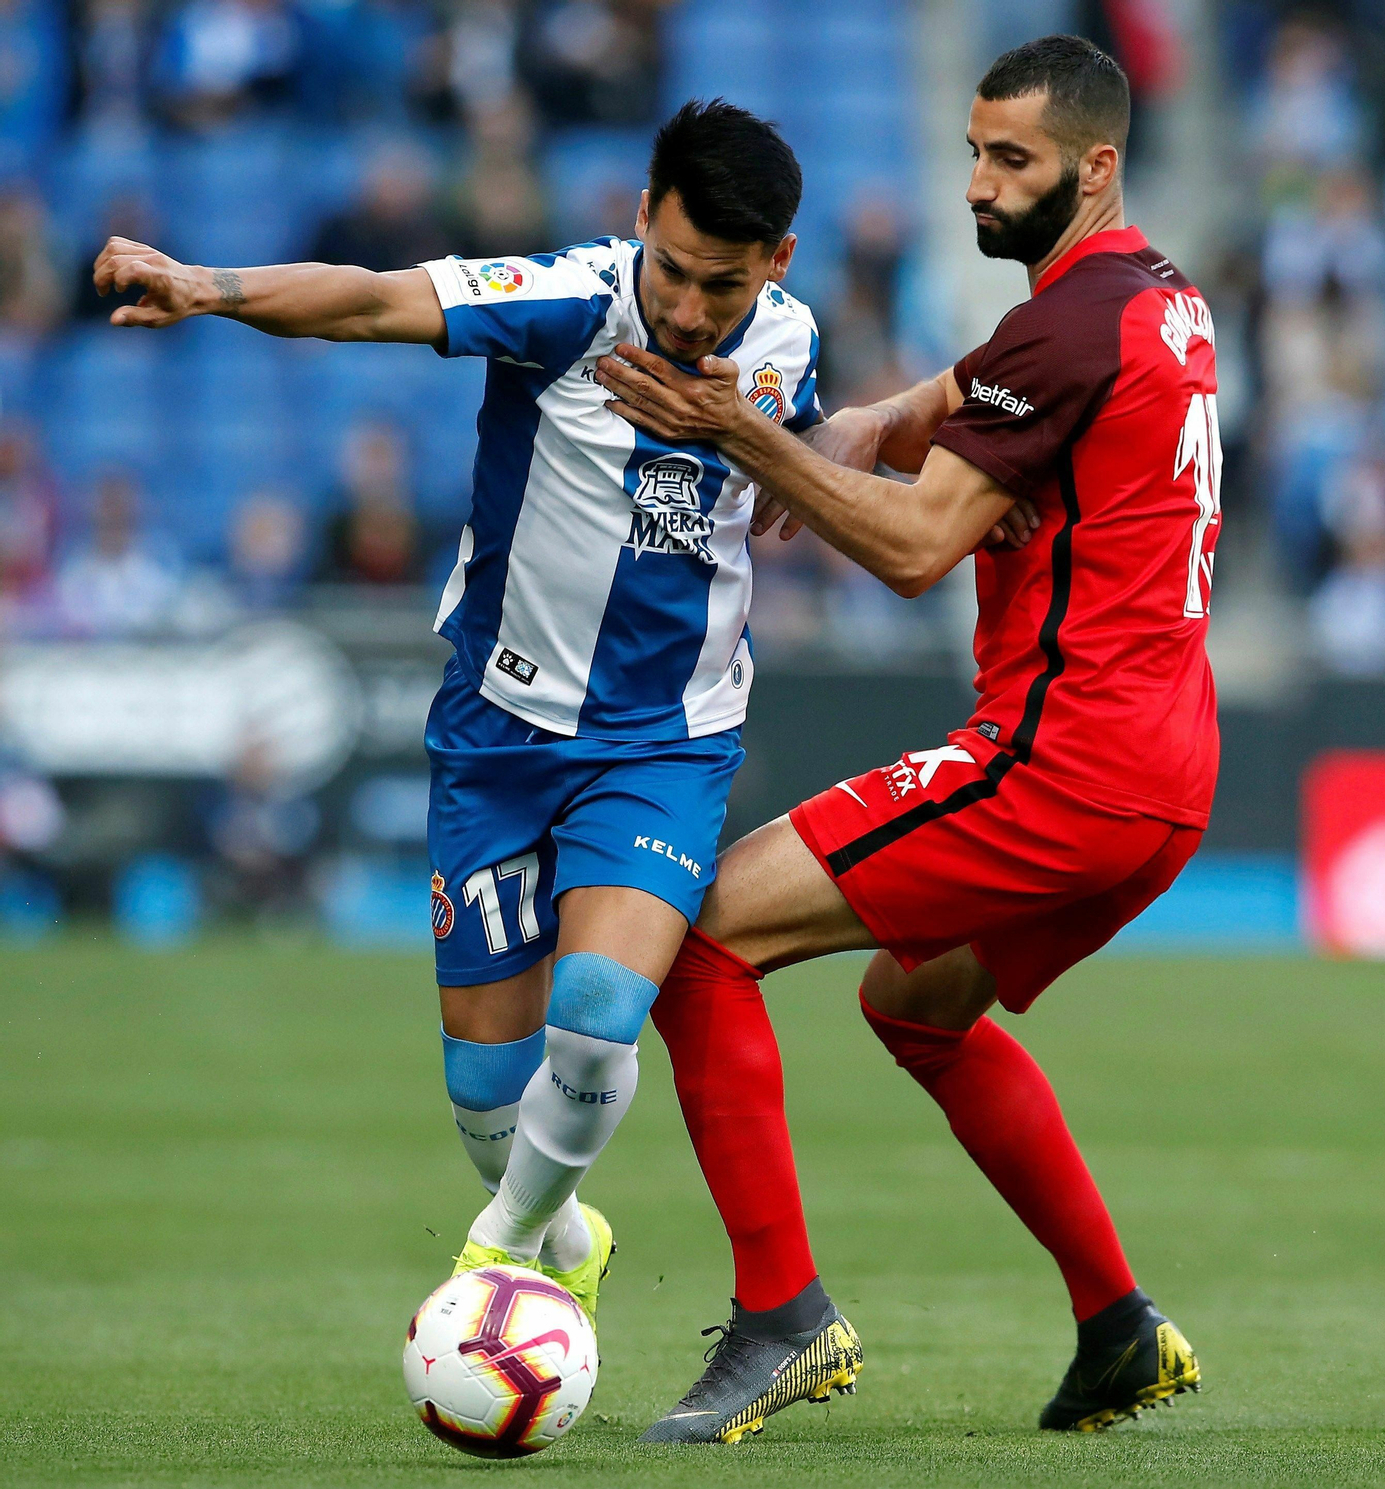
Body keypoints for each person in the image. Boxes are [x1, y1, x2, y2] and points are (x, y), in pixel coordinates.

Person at [91, 101, 857, 1396]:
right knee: (487, 1097)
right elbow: (372, 299)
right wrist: (210, 287)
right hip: (498, 733)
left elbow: (805, 435)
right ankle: (563, 1230)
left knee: (603, 1011)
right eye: (667, 268)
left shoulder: (787, 342)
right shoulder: (564, 302)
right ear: (639, 225)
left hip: (663, 741)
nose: (683, 305)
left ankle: (496, 1261)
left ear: (773, 263)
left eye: (717, 283)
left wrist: (788, 460)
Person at [598, 35, 1218, 1442]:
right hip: (1169, 770)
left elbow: (917, 552)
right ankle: (1118, 1323)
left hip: (1061, 761)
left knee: (699, 933)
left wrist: (744, 435)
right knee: (913, 1003)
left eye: (1014, 162)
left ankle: (782, 1318)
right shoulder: (1159, 300)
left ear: (1097, 167)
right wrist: (881, 416)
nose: (981, 187)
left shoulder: (1064, 330)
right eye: (973, 155)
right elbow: (997, 382)